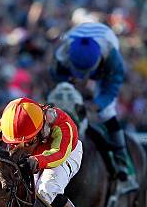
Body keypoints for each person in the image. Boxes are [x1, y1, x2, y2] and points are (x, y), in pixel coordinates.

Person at [51, 21, 137, 193]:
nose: (83, 79)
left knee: (107, 113)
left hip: (104, 45)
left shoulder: (113, 58)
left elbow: (111, 88)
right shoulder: (62, 53)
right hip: (78, 39)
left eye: (86, 74)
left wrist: (97, 105)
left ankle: (123, 167)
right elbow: (56, 77)